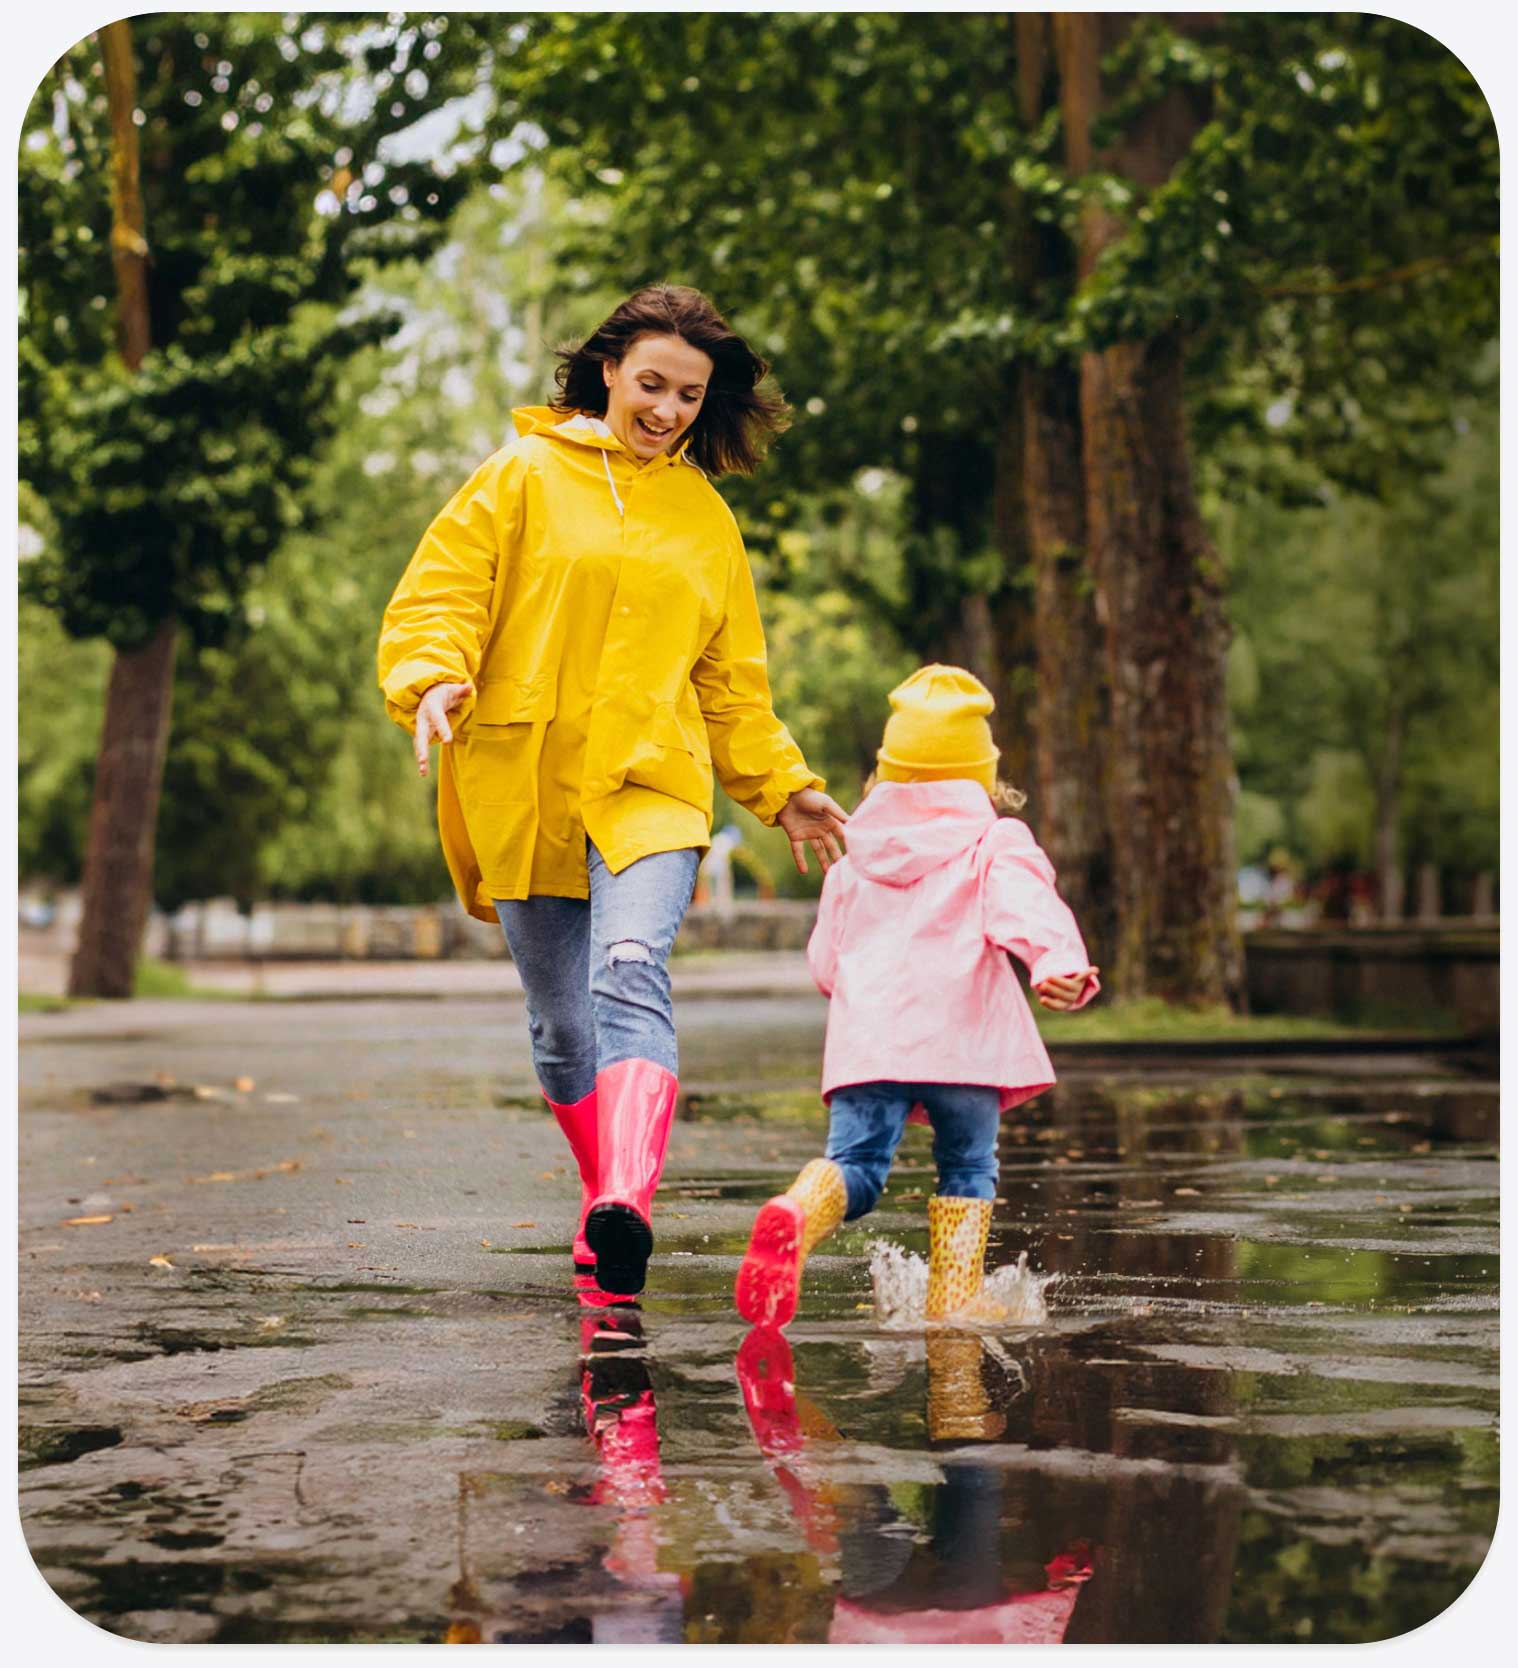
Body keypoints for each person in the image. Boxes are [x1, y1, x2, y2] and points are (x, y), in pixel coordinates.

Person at [378, 285, 847, 1297]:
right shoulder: (521, 476)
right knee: (560, 1026)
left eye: (688, 394)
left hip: (654, 783)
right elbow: (441, 596)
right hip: (525, 778)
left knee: (631, 968)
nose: (668, 409)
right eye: (652, 384)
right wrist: (430, 678)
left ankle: (627, 1199)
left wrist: (783, 786)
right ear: (608, 372)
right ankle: (606, 1196)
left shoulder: (706, 520)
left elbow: (731, 685)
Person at [734, 665, 1098, 1328]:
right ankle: (955, 1298)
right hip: (967, 1045)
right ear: (980, 772)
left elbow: (826, 965)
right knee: (967, 1167)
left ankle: (797, 1209)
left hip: (870, 1044)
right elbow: (1027, 905)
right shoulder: (994, 840)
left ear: (888, 770)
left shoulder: (852, 858)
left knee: (857, 1168)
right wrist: (1057, 963)